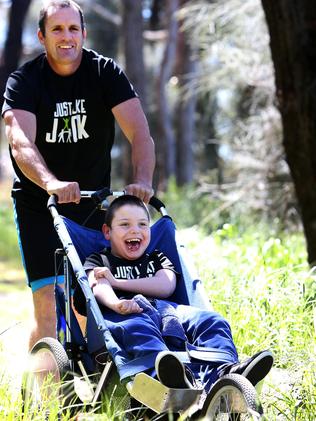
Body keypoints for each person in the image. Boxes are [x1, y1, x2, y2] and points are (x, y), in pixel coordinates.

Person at [1, 0, 155, 350]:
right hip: (39, 205)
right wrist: (51, 183)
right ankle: (47, 401)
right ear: (42, 36)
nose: (66, 36)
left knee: (88, 301)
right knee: (48, 307)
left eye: (73, 29)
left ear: (84, 34)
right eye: (57, 29)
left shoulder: (105, 73)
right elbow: (20, 143)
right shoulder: (24, 80)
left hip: (91, 205)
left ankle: (86, 386)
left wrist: (142, 180)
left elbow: (140, 132)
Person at [75, 194, 274, 393]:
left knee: (212, 320)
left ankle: (225, 372)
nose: (135, 230)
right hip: (124, 313)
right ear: (107, 232)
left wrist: (117, 282)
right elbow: (96, 284)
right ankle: (167, 378)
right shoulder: (99, 259)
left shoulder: (156, 257)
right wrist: (116, 304)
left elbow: (166, 286)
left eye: (143, 224)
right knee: (138, 327)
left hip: (166, 310)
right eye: (125, 225)